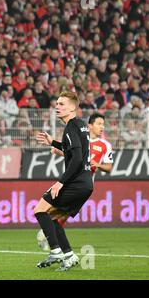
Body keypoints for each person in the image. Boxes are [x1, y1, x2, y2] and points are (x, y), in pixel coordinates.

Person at [35, 91, 93, 271]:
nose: (57, 107)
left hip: (75, 182)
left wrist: (61, 182)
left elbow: (75, 158)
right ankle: (68, 255)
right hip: (85, 183)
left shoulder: (70, 127)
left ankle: (56, 251)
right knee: (54, 218)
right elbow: (73, 150)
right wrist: (53, 142)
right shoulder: (80, 125)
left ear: (72, 107)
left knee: (40, 210)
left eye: (61, 104)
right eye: (57, 103)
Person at [38, 112, 114, 250]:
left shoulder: (106, 145)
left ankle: (52, 240)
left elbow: (109, 167)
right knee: (55, 215)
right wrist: (57, 149)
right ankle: (55, 243)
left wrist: (99, 165)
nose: (102, 127)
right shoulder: (81, 138)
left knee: (58, 216)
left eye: (103, 124)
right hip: (72, 180)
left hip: (83, 184)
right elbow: (72, 155)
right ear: (90, 126)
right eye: (99, 124)